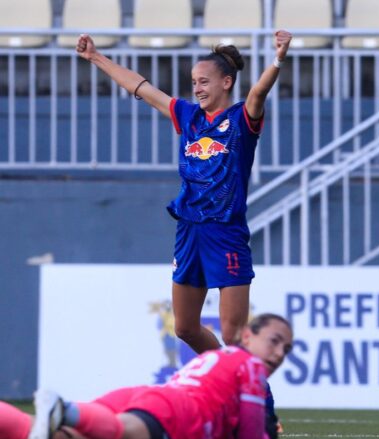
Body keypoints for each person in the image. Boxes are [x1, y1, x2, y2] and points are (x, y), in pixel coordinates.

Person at [74, 31, 292, 353]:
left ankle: (253, 395)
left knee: (233, 336)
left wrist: (278, 59)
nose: (197, 88)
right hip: (189, 230)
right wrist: (95, 57)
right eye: (194, 82)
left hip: (226, 231)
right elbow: (142, 89)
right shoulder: (189, 117)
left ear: (226, 83)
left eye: (204, 81)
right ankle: (223, 374)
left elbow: (259, 92)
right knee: (185, 328)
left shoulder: (240, 121)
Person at [0, 314, 292, 439]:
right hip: (175, 414)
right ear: (247, 336)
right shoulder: (251, 366)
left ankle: (63, 414)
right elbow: (252, 438)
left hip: (150, 398)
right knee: (123, 436)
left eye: (286, 349)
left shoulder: (218, 357)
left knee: (36, 435)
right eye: (274, 342)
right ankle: (65, 410)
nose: (278, 354)